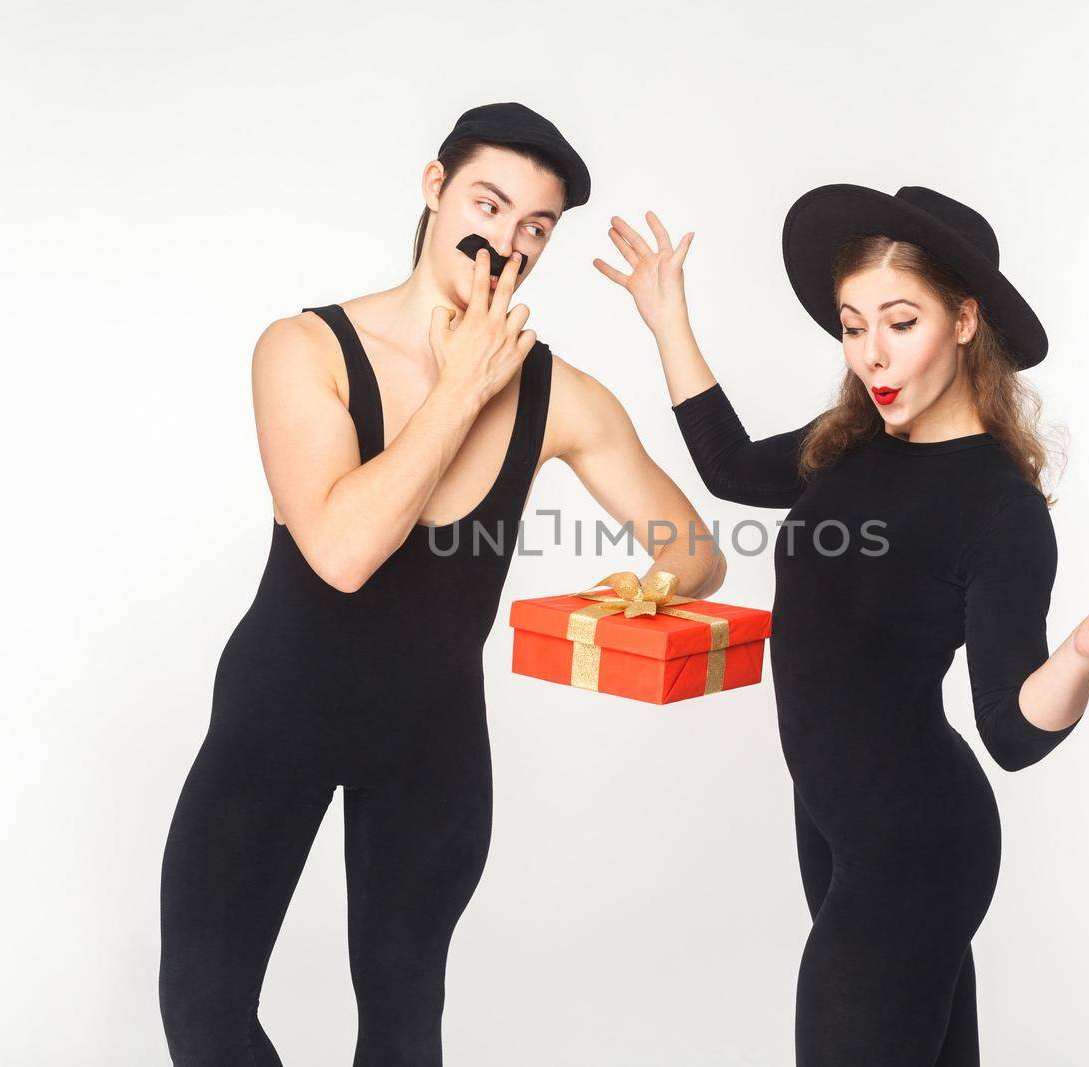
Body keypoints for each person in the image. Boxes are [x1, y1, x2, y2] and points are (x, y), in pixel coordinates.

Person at [595, 185, 1089, 1065]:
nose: (872, 356)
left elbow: (1010, 732)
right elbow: (730, 465)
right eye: (853, 327)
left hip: (916, 846)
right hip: (830, 823)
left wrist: (1080, 652)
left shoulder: (998, 507)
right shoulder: (848, 443)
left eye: (900, 322)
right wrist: (667, 319)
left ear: (965, 321)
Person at [158, 101, 721, 1065]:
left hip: (433, 745)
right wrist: (461, 387)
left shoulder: (561, 397)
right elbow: (341, 550)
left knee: (405, 1028)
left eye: (534, 229)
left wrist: (615, 600)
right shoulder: (303, 350)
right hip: (273, 719)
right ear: (434, 187)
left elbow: (694, 552)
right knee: (204, 1009)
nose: (505, 244)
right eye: (489, 204)